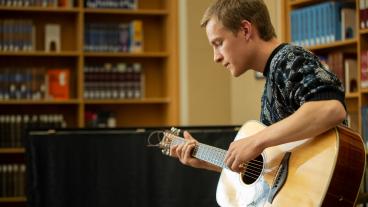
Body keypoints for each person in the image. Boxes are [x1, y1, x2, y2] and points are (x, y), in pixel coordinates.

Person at [170, 0, 346, 174]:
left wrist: (256, 141)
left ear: (245, 30)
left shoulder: (289, 59)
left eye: (218, 43)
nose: (216, 57)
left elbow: (331, 108)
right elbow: (270, 171)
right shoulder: (272, 75)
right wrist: (206, 161)